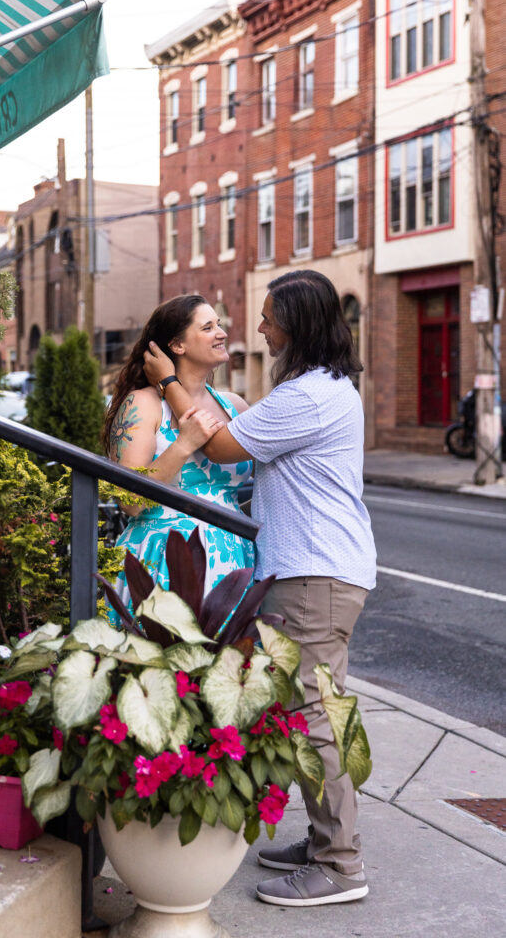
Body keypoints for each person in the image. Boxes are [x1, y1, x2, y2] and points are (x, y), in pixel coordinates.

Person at [144, 269, 376, 908]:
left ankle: (339, 864)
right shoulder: (320, 388)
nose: (260, 326)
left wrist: (166, 380)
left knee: (315, 717)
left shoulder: (309, 395)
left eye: (270, 315)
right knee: (318, 713)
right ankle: (329, 839)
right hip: (318, 572)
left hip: (314, 575)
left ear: (296, 324)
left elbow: (217, 447)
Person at [103, 294, 255, 610]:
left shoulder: (235, 407)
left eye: (219, 324)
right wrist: (183, 444)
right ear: (178, 346)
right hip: (165, 557)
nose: (221, 333)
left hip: (234, 560)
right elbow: (129, 502)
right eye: (208, 327)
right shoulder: (143, 404)